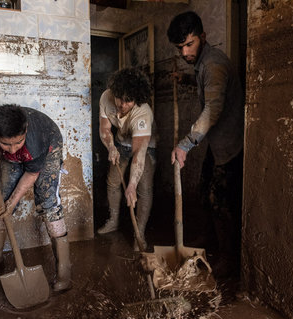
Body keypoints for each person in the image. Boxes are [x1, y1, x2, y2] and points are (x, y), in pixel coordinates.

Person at [167, 11, 244, 277]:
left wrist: (185, 145)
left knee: (220, 201)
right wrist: (186, 79)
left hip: (230, 145)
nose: (185, 52)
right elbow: (207, 85)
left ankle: (228, 257)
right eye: (180, 48)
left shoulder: (213, 64)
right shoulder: (202, 66)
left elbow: (212, 108)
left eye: (189, 44)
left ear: (203, 37)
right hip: (216, 143)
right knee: (204, 192)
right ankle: (209, 241)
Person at [0, 104, 71, 292]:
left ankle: (64, 269)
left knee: (48, 201)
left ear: (25, 130)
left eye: (17, 143)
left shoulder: (36, 141)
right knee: (0, 199)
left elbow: (31, 174)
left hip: (49, 147)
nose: (11, 150)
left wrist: (12, 203)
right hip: (26, 150)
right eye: (5, 144)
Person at [97, 68, 157, 251]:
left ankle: (139, 233)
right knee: (113, 182)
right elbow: (105, 129)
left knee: (143, 189)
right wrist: (111, 147)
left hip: (146, 146)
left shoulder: (143, 112)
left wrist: (131, 184)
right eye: (119, 99)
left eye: (128, 101)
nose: (122, 105)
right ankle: (114, 220)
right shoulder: (106, 97)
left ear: (136, 100)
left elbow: (139, 152)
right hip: (121, 142)